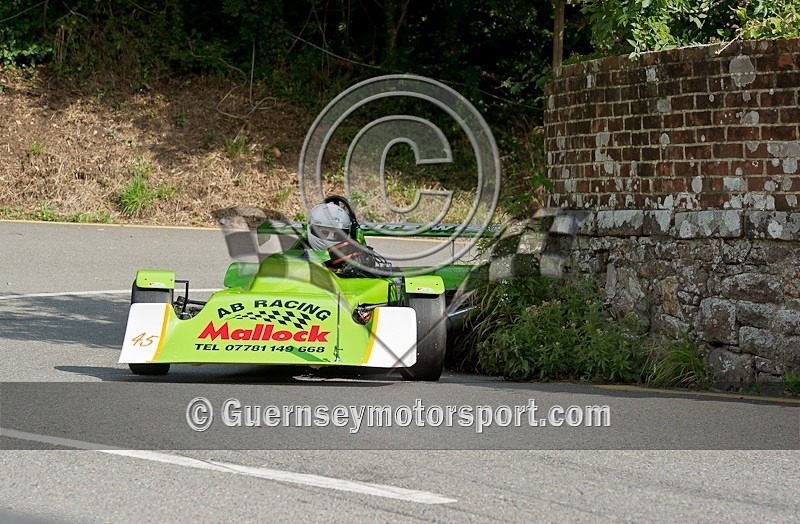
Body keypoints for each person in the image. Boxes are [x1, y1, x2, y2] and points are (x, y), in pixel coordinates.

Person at [305, 199, 390, 276]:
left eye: (336, 234)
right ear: (311, 229)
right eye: (324, 233)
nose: (330, 237)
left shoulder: (353, 256)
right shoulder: (299, 253)